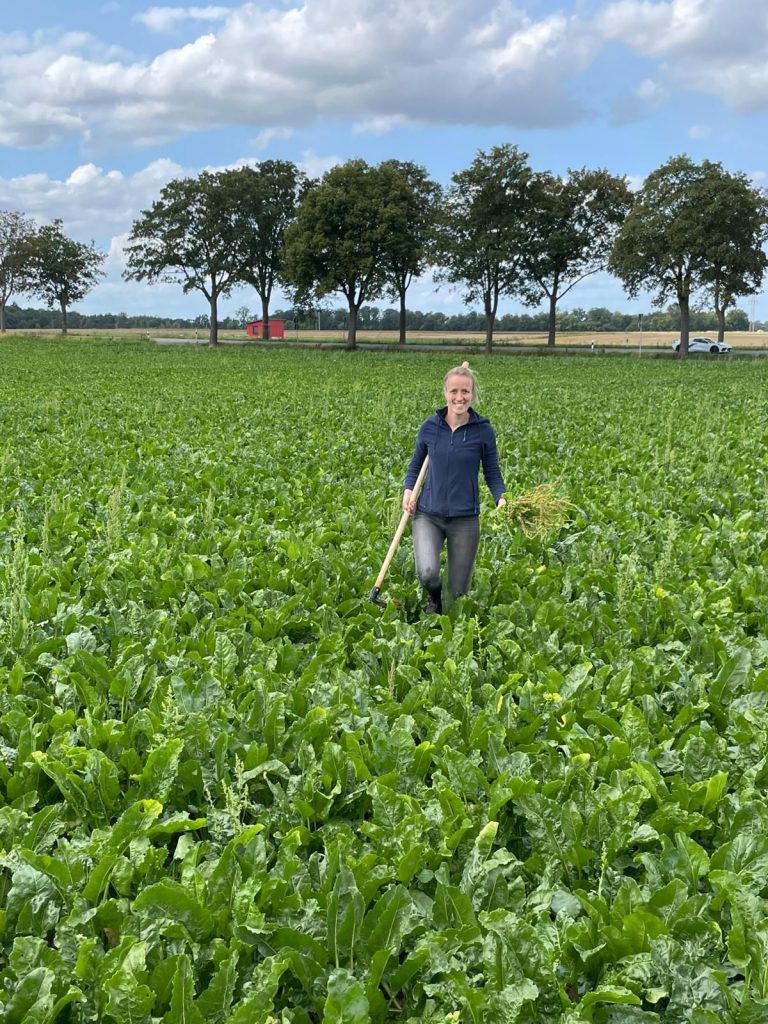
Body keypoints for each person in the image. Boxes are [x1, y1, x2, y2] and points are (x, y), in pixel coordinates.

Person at [403, 364, 506, 615]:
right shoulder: (430, 427)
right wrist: (408, 490)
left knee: (459, 591)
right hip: (428, 514)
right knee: (428, 574)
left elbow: (492, 472)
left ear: (472, 394)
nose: (459, 397)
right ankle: (434, 601)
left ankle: (449, 612)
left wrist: (501, 498)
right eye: (454, 391)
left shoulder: (483, 430)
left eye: (465, 391)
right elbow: (416, 464)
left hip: (465, 519)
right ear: (445, 393)